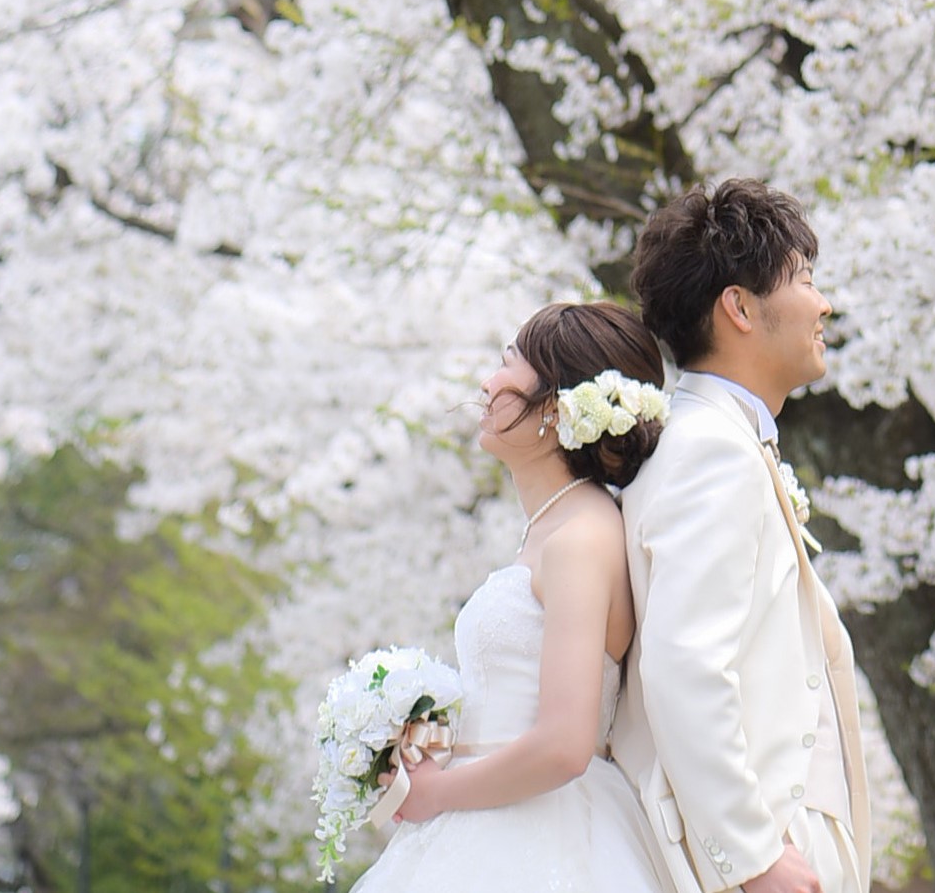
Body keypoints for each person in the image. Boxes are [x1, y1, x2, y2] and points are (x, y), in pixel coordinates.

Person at [356, 301, 674, 893]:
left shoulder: (580, 539)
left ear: (554, 408)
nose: (487, 382)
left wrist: (435, 794)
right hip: (501, 820)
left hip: (537, 833)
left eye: (509, 365)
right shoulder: (561, 527)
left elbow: (564, 745)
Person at [611, 178, 872, 893]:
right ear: (739, 308)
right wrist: (753, 858)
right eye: (806, 280)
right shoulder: (712, 453)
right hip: (757, 856)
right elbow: (685, 663)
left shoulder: (709, 441)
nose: (824, 304)